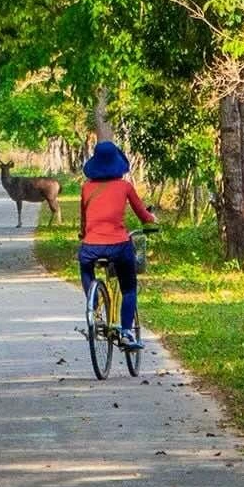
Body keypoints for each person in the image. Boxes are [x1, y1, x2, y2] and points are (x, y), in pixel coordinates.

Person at [77, 140, 156, 350]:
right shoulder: (125, 187)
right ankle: (126, 332)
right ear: (117, 163)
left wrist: (84, 234)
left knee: (85, 266)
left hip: (90, 247)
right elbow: (143, 215)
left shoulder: (86, 188)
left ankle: (93, 308)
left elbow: (83, 221)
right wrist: (152, 219)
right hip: (119, 246)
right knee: (129, 288)